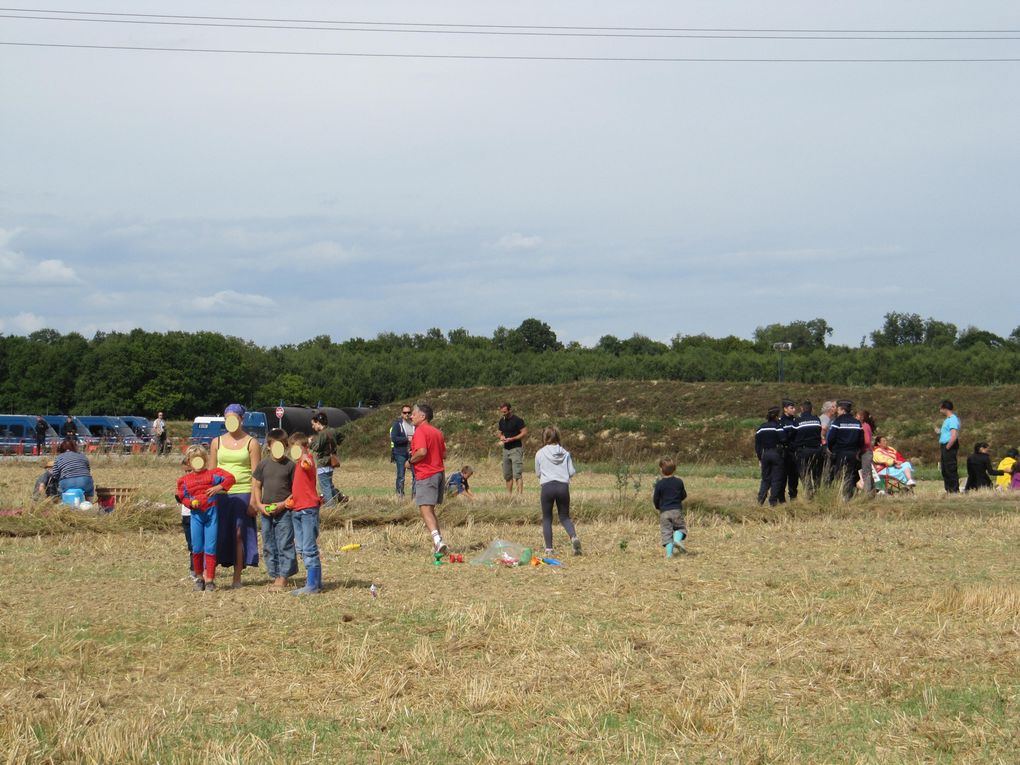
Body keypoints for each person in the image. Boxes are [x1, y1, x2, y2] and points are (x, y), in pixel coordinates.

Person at [210, 403, 261, 588]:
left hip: (243, 492)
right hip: (221, 493)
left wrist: (254, 501)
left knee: (240, 534)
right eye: (227, 418)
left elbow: (256, 475)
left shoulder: (252, 443)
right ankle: (210, 576)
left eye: (234, 418)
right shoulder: (216, 442)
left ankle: (237, 577)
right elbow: (212, 471)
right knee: (217, 534)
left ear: (241, 419)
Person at [177, 444, 235, 592]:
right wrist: (191, 503)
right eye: (193, 460)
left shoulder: (213, 474)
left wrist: (218, 488)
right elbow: (182, 497)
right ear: (189, 462)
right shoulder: (184, 480)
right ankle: (199, 578)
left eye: (200, 460)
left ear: (205, 460)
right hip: (196, 516)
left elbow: (230, 478)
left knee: (210, 547)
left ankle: (209, 579)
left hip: (211, 515)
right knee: (197, 547)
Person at [251, 428, 298, 591]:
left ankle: (284, 576)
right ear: (269, 446)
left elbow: (295, 491)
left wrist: (283, 504)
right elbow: (256, 486)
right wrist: (259, 504)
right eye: (274, 445)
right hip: (266, 511)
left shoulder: (290, 465)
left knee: (284, 543)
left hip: (285, 511)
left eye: (282, 446)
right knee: (269, 544)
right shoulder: (263, 465)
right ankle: (275, 574)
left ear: (285, 447)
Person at [408, 403, 450, 554]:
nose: (411, 416)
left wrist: (410, 460)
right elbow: (444, 455)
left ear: (422, 416)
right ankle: (438, 543)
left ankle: (438, 541)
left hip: (426, 474)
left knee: (425, 509)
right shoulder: (438, 432)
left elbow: (422, 452)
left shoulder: (420, 431)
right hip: (439, 473)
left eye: (413, 414)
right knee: (430, 510)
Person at [534, 427, 581, 556]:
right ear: (558, 437)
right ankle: (573, 537)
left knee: (547, 518)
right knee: (565, 517)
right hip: (562, 487)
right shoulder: (565, 453)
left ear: (544, 438)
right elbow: (571, 472)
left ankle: (549, 549)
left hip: (547, 487)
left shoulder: (540, 453)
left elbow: (538, 473)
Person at [289, 431, 324, 596]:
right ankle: (316, 582)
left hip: (308, 510)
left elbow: (308, 463)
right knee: (301, 548)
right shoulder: (296, 464)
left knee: (309, 548)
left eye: (296, 449)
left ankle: (312, 585)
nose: (293, 452)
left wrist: (304, 457)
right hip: (297, 509)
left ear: (304, 447)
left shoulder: (306, 460)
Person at [826, 400, 864, 499]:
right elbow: (861, 440)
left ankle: (840, 495)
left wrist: (831, 449)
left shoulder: (837, 421)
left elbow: (830, 438)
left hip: (840, 453)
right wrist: (858, 451)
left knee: (839, 474)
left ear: (842, 410)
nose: (837, 412)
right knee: (850, 475)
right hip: (853, 453)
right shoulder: (857, 423)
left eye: (838, 409)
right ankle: (848, 496)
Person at [310, 412, 348, 507]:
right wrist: (334, 445)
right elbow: (342, 437)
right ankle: (340, 497)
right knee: (329, 485)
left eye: (313, 424)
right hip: (331, 462)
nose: (312, 427)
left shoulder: (322, 434)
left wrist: (310, 443)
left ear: (318, 422)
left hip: (323, 463)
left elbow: (317, 448)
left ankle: (330, 508)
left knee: (325, 487)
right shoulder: (333, 431)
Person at [652, 457, 688, 558]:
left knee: (666, 533)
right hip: (676, 510)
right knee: (680, 528)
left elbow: (656, 498)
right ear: (674, 469)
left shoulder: (659, 484)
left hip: (664, 512)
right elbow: (684, 495)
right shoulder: (679, 482)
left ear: (661, 470)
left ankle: (669, 555)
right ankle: (677, 540)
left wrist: (658, 507)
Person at [792, 400, 825, 496]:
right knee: (817, 474)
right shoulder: (817, 420)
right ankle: (817, 492)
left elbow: (793, 435)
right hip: (816, 450)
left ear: (802, 409)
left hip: (803, 451)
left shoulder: (798, 421)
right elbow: (819, 432)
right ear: (811, 409)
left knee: (804, 473)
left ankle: (809, 493)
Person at [755, 407, 786, 506]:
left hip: (765, 455)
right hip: (776, 453)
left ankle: (760, 500)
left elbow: (757, 445)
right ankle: (773, 502)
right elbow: (784, 439)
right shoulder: (777, 426)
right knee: (776, 479)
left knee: (765, 479)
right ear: (776, 416)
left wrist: (760, 457)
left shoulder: (761, 428)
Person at [497, 403, 528, 497]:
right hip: (505, 450)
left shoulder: (518, 420)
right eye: (502, 412)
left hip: (516, 449)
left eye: (505, 412)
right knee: (507, 475)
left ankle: (519, 497)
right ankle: (509, 497)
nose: (503, 414)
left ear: (510, 410)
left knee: (517, 474)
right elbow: (499, 433)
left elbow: (524, 432)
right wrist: (501, 437)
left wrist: (513, 438)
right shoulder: (501, 421)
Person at [175, 455, 196, 580]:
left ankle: (198, 569)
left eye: (190, 470)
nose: (188, 473)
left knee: (197, 544)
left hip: (197, 514)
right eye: (186, 471)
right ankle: (193, 570)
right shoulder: (183, 481)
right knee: (191, 544)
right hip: (186, 514)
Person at [390, 405, 416, 498]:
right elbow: (394, 438)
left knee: (415, 475)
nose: (407, 414)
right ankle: (400, 496)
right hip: (400, 453)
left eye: (409, 412)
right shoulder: (397, 424)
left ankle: (414, 496)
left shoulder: (414, 425)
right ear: (401, 414)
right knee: (401, 475)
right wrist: (407, 439)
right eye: (405, 412)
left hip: (412, 453)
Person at [936, 399, 961, 493]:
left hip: (949, 446)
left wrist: (947, 447)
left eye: (941, 408)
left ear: (945, 408)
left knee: (950, 468)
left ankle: (954, 490)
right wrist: (939, 431)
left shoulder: (953, 419)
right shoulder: (947, 420)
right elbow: (946, 433)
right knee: (945, 469)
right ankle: (948, 489)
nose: (940, 410)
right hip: (944, 445)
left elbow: (954, 435)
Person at [779, 399, 798, 501]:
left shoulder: (795, 420)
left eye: (794, 407)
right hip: (785, 453)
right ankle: (781, 499)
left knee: (794, 477)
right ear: (785, 409)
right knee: (783, 477)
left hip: (794, 453)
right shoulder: (780, 421)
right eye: (791, 408)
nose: (794, 410)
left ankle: (793, 497)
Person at [856, 409, 877, 495]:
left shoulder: (864, 426)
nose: (855, 417)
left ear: (862, 417)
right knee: (868, 473)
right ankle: (871, 492)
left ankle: (867, 493)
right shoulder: (867, 425)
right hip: (867, 452)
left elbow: (867, 441)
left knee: (866, 473)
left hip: (865, 452)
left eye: (857, 416)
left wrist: (860, 448)